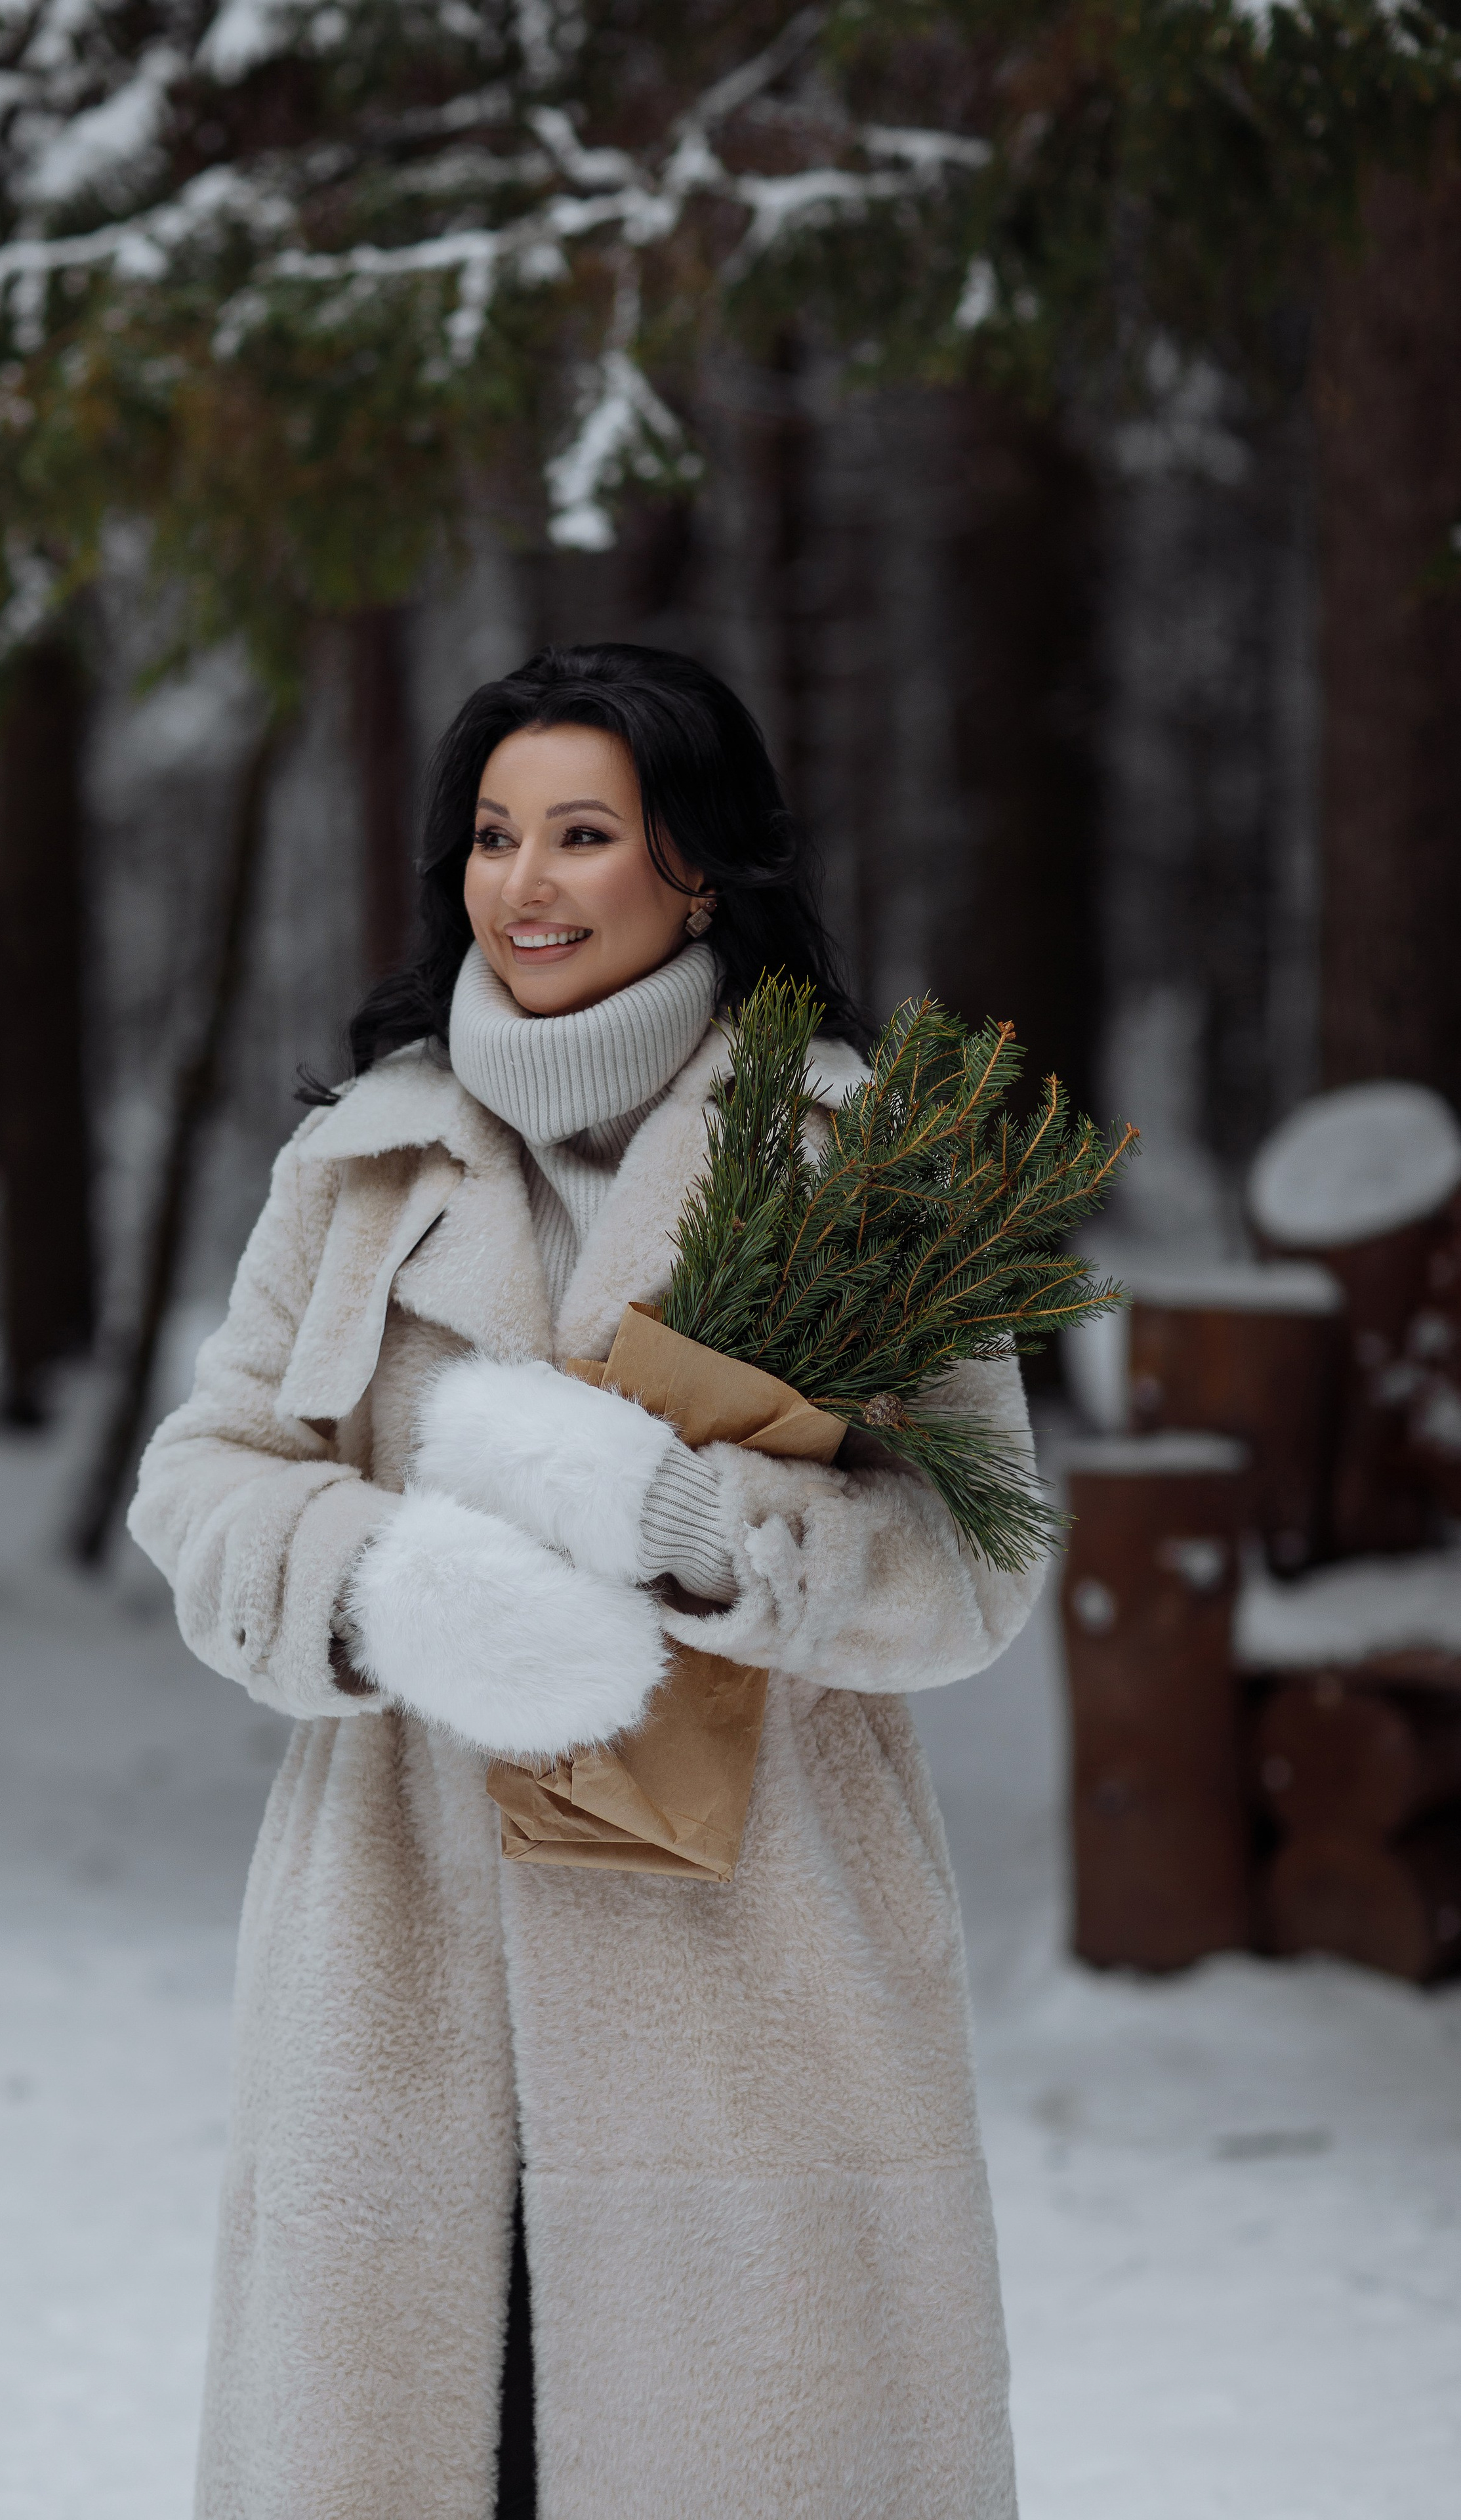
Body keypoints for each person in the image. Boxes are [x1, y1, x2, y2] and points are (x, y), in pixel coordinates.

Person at [130, 642, 1045, 2520]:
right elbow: (204, 1476)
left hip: (757, 1991)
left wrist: (706, 1532)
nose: (524, 885)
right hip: (404, 1979)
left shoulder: (864, 1160)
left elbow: (979, 1559)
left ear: (697, 866)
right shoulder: (360, 1160)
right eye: (492, 836)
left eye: (581, 835)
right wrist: (381, 1585)